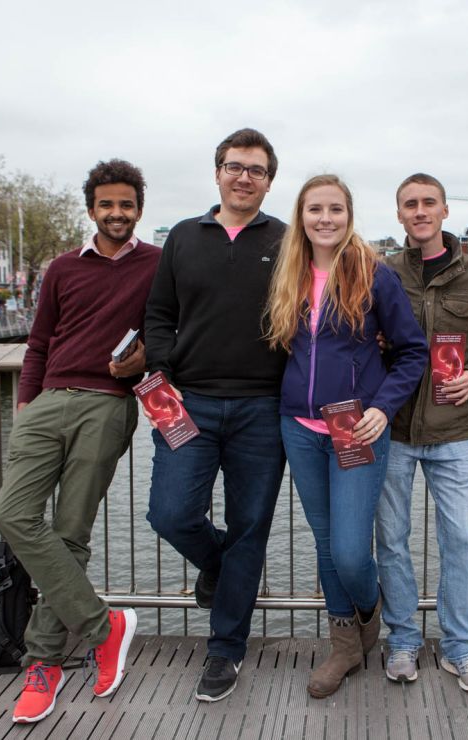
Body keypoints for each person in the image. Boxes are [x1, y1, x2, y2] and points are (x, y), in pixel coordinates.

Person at [0, 159, 159, 723]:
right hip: (46, 402)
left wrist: (145, 360)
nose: (117, 213)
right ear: (91, 209)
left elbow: (173, 333)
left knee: (70, 532)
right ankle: (101, 625)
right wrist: (25, 405)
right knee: (13, 515)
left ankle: (43, 665)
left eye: (127, 204)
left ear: (139, 209)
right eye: (107, 204)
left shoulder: (159, 265)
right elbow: (38, 342)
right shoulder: (62, 268)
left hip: (108, 405)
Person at [265, 174, 427, 698]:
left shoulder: (373, 275)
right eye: (315, 209)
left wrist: (383, 407)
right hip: (300, 429)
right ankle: (345, 644)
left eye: (335, 208)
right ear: (302, 215)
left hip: (355, 428)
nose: (325, 218)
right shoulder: (289, 272)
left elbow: (412, 351)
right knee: (325, 540)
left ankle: (370, 609)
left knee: (352, 552)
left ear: (349, 215)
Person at [143, 128, 288, 703]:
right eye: (234, 166)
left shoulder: (287, 238)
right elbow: (159, 311)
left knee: (251, 527)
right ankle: (218, 562)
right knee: (169, 512)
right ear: (218, 172)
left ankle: (225, 650)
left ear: (269, 180)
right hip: (189, 401)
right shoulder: (183, 236)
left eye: (256, 169)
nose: (244, 176)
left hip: (263, 406)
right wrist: (163, 365)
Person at [375, 173, 468, 693]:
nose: (420, 211)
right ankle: (402, 639)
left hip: (454, 433)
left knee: (461, 543)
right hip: (396, 428)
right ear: (400, 214)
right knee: (392, 542)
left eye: (429, 203)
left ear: (445, 211)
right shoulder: (382, 273)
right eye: (410, 204)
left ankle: (460, 650)